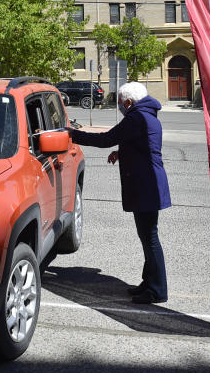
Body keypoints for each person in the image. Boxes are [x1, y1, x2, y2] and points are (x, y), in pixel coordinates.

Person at [66, 81, 171, 304]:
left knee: (150, 238)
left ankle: (157, 290)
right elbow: (144, 143)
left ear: (130, 102)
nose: (122, 108)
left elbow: (106, 138)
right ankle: (149, 282)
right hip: (149, 182)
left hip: (146, 185)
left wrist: (73, 135)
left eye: (122, 104)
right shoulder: (147, 114)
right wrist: (122, 152)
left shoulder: (136, 117)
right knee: (147, 236)